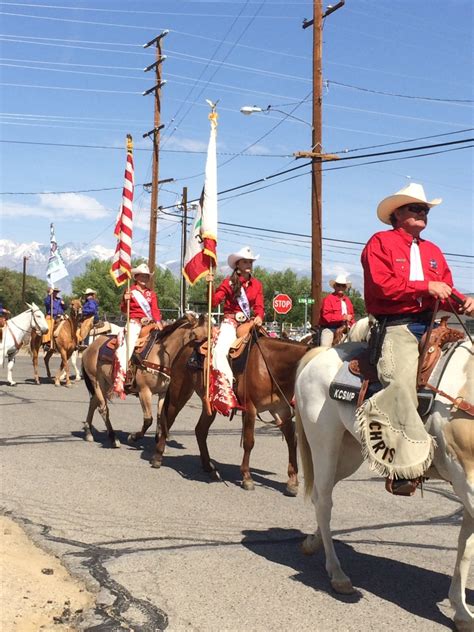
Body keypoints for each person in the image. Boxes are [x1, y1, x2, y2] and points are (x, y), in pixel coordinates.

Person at [358, 182, 474, 495]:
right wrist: (425, 287)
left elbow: (445, 288)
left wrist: (463, 301)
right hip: (398, 325)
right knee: (400, 385)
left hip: (434, 324)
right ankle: (405, 464)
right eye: (415, 208)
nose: (422, 213)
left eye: (425, 209)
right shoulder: (379, 243)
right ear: (397, 213)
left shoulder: (433, 251)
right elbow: (383, 286)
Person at [209, 246, 264, 415]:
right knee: (219, 352)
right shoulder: (228, 282)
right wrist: (210, 288)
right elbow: (214, 301)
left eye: (250, 262)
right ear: (237, 265)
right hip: (231, 322)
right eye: (245, 262)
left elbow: (260, 306)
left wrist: (259, 316)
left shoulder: (257, 284)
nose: (249, 264)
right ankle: (227, 389)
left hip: (250, 323)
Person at [112, 264, 163, 398]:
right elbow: (123, 309)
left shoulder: (151, 293)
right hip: (135, 322)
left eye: (146, 276)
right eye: (142, 276)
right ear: (136, 277)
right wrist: (125, 300)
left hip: (150, 323)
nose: (144, 278)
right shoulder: (130, 291)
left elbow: (155, 310)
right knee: (126, 348)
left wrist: (158, 322)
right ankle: (123, 375)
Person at [319, 274, 355, 346]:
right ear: (335, 286)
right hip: (330, 329)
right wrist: (343, 317)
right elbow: (326, 316)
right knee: (325, 347)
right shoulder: (328, 299)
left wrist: (353, 326)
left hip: (345, 329)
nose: (341, 287)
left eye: (343, 286)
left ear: (345, 288)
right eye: (339, 285)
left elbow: (352, 316)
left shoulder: (348, 301)